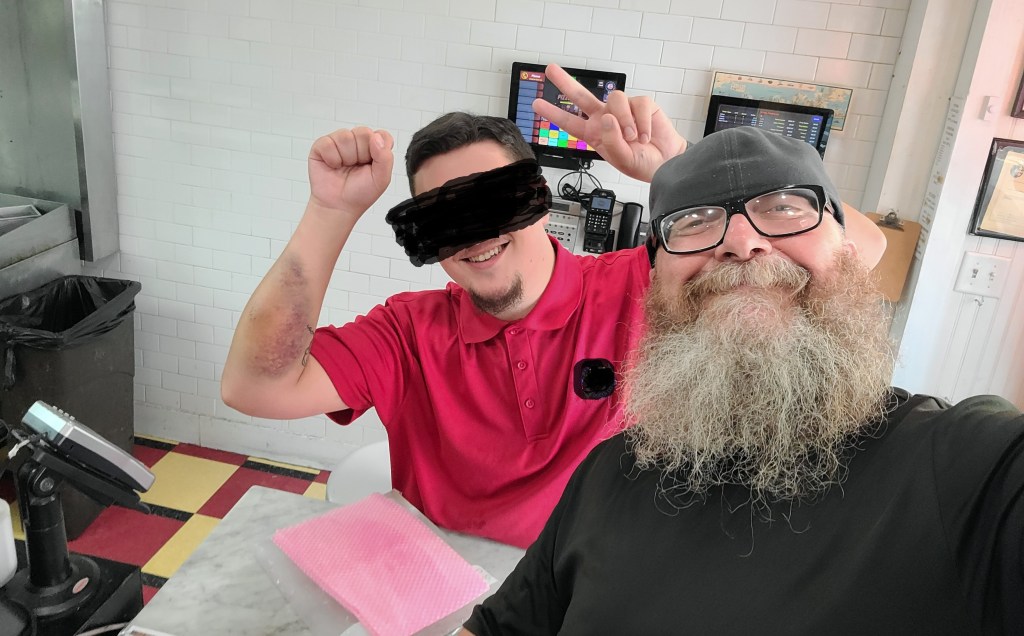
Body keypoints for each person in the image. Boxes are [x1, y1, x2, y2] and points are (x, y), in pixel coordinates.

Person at [222, 64, 886, 548]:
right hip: (449, 585)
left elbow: (862, 247)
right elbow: (256, 385)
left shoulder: (647, 286)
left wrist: (682, 169)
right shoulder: (407, 332)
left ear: (538, 201)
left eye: (495, 202)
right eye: (447, 218)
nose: (478, 235)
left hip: (596, 590)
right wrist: (330, 210)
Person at [461, 127, 1024, 635]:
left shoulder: (963, 468)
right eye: (693, 221)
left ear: (849, 255)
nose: (740, 241)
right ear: (657, 283)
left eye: (784, 207)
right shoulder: (609, 473)